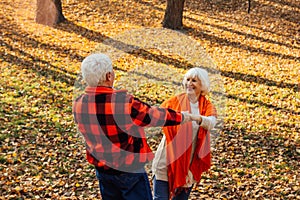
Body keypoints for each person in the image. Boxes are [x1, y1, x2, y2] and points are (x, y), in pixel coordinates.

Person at [72, 53, 203, 200]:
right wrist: (184, 116)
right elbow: (153, 116)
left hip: (103, 171)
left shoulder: (78, 104)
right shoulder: (122, 102)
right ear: (109, 76)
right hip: (129, 171)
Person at [152, 67, 217, 200]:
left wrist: (196, 118)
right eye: (187, 80)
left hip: (189, 165)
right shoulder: (174, 102)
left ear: (202, 85)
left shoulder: (206, 106)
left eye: (194, 81)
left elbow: (211, 122)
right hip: (166, 161)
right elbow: (157, 117)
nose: (189, 83)